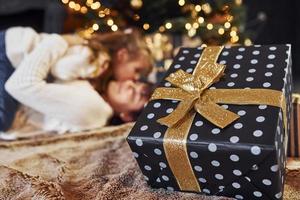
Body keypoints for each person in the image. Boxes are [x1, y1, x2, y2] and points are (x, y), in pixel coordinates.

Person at [0, 27, 153, 133]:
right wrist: (61, 40)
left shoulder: (94, 107)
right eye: (137, 73)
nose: (131, 81)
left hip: (13, 56)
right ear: (122, 55)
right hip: (12, 51)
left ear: (126, 117)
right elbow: (22, 84)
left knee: (4, 119)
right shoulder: (91, 60)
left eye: (136, 95)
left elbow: (22, 85)